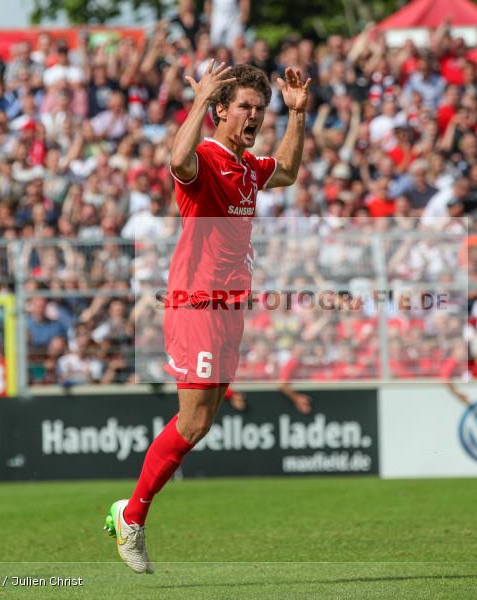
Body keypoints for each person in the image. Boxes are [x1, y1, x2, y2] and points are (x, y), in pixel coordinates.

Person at [104, 61, 309, 574]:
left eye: (260, 109)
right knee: (193, 420)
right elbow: (177, 158)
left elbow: (285, 170)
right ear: (220, 110)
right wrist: (197, 103)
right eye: (245, 107)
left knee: (200, 424)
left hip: (229, 309)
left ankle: (128, 511)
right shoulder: (206, 159)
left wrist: (298, 116)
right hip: (195, 302)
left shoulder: (245, 166)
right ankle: (131, 515)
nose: (254, 116)